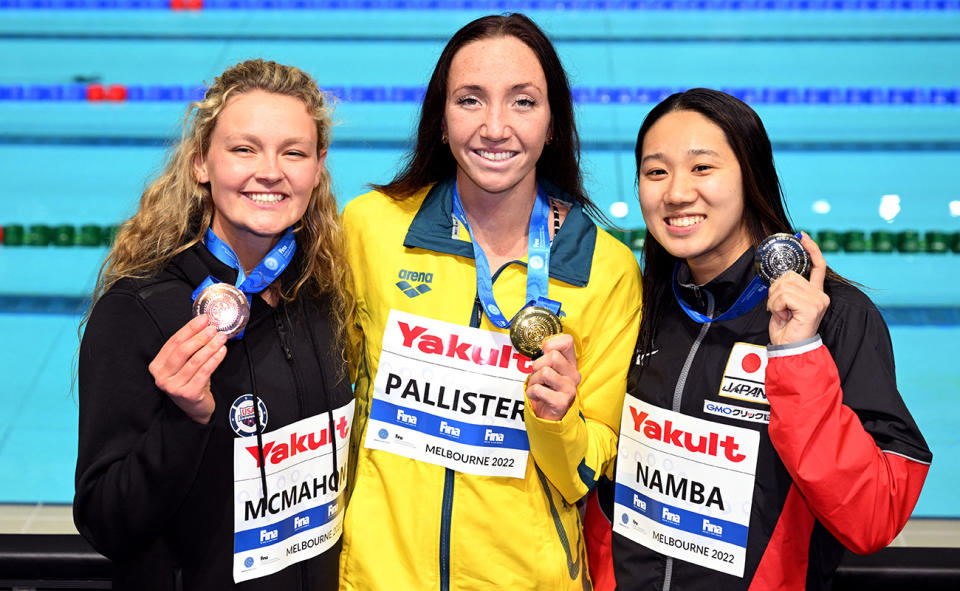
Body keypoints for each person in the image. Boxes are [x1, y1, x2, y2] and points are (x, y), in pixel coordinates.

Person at [339, 13, 642, 590]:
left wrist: (557, 421)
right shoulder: (371, 229)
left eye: (523, 102)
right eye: (470, 100)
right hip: (380, 577)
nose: (495, 127)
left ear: (553, 123)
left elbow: (588, 470)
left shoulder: (605, 269)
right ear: (442, 117)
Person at [585, 88, 932, 590]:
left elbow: (873, 518)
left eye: (702, 168)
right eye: (656, 171)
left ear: (751, 176)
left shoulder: (834, 320)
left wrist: (797, 356)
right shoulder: (641, 309)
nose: (677, 192)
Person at [74, 59, 355, 590]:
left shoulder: (323, 294)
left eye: (293, 152)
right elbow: (105, 522)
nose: (270, 170)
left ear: (317, 167)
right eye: (244, 149)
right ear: (201, 162)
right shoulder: (140, 310)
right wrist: (184, 420)